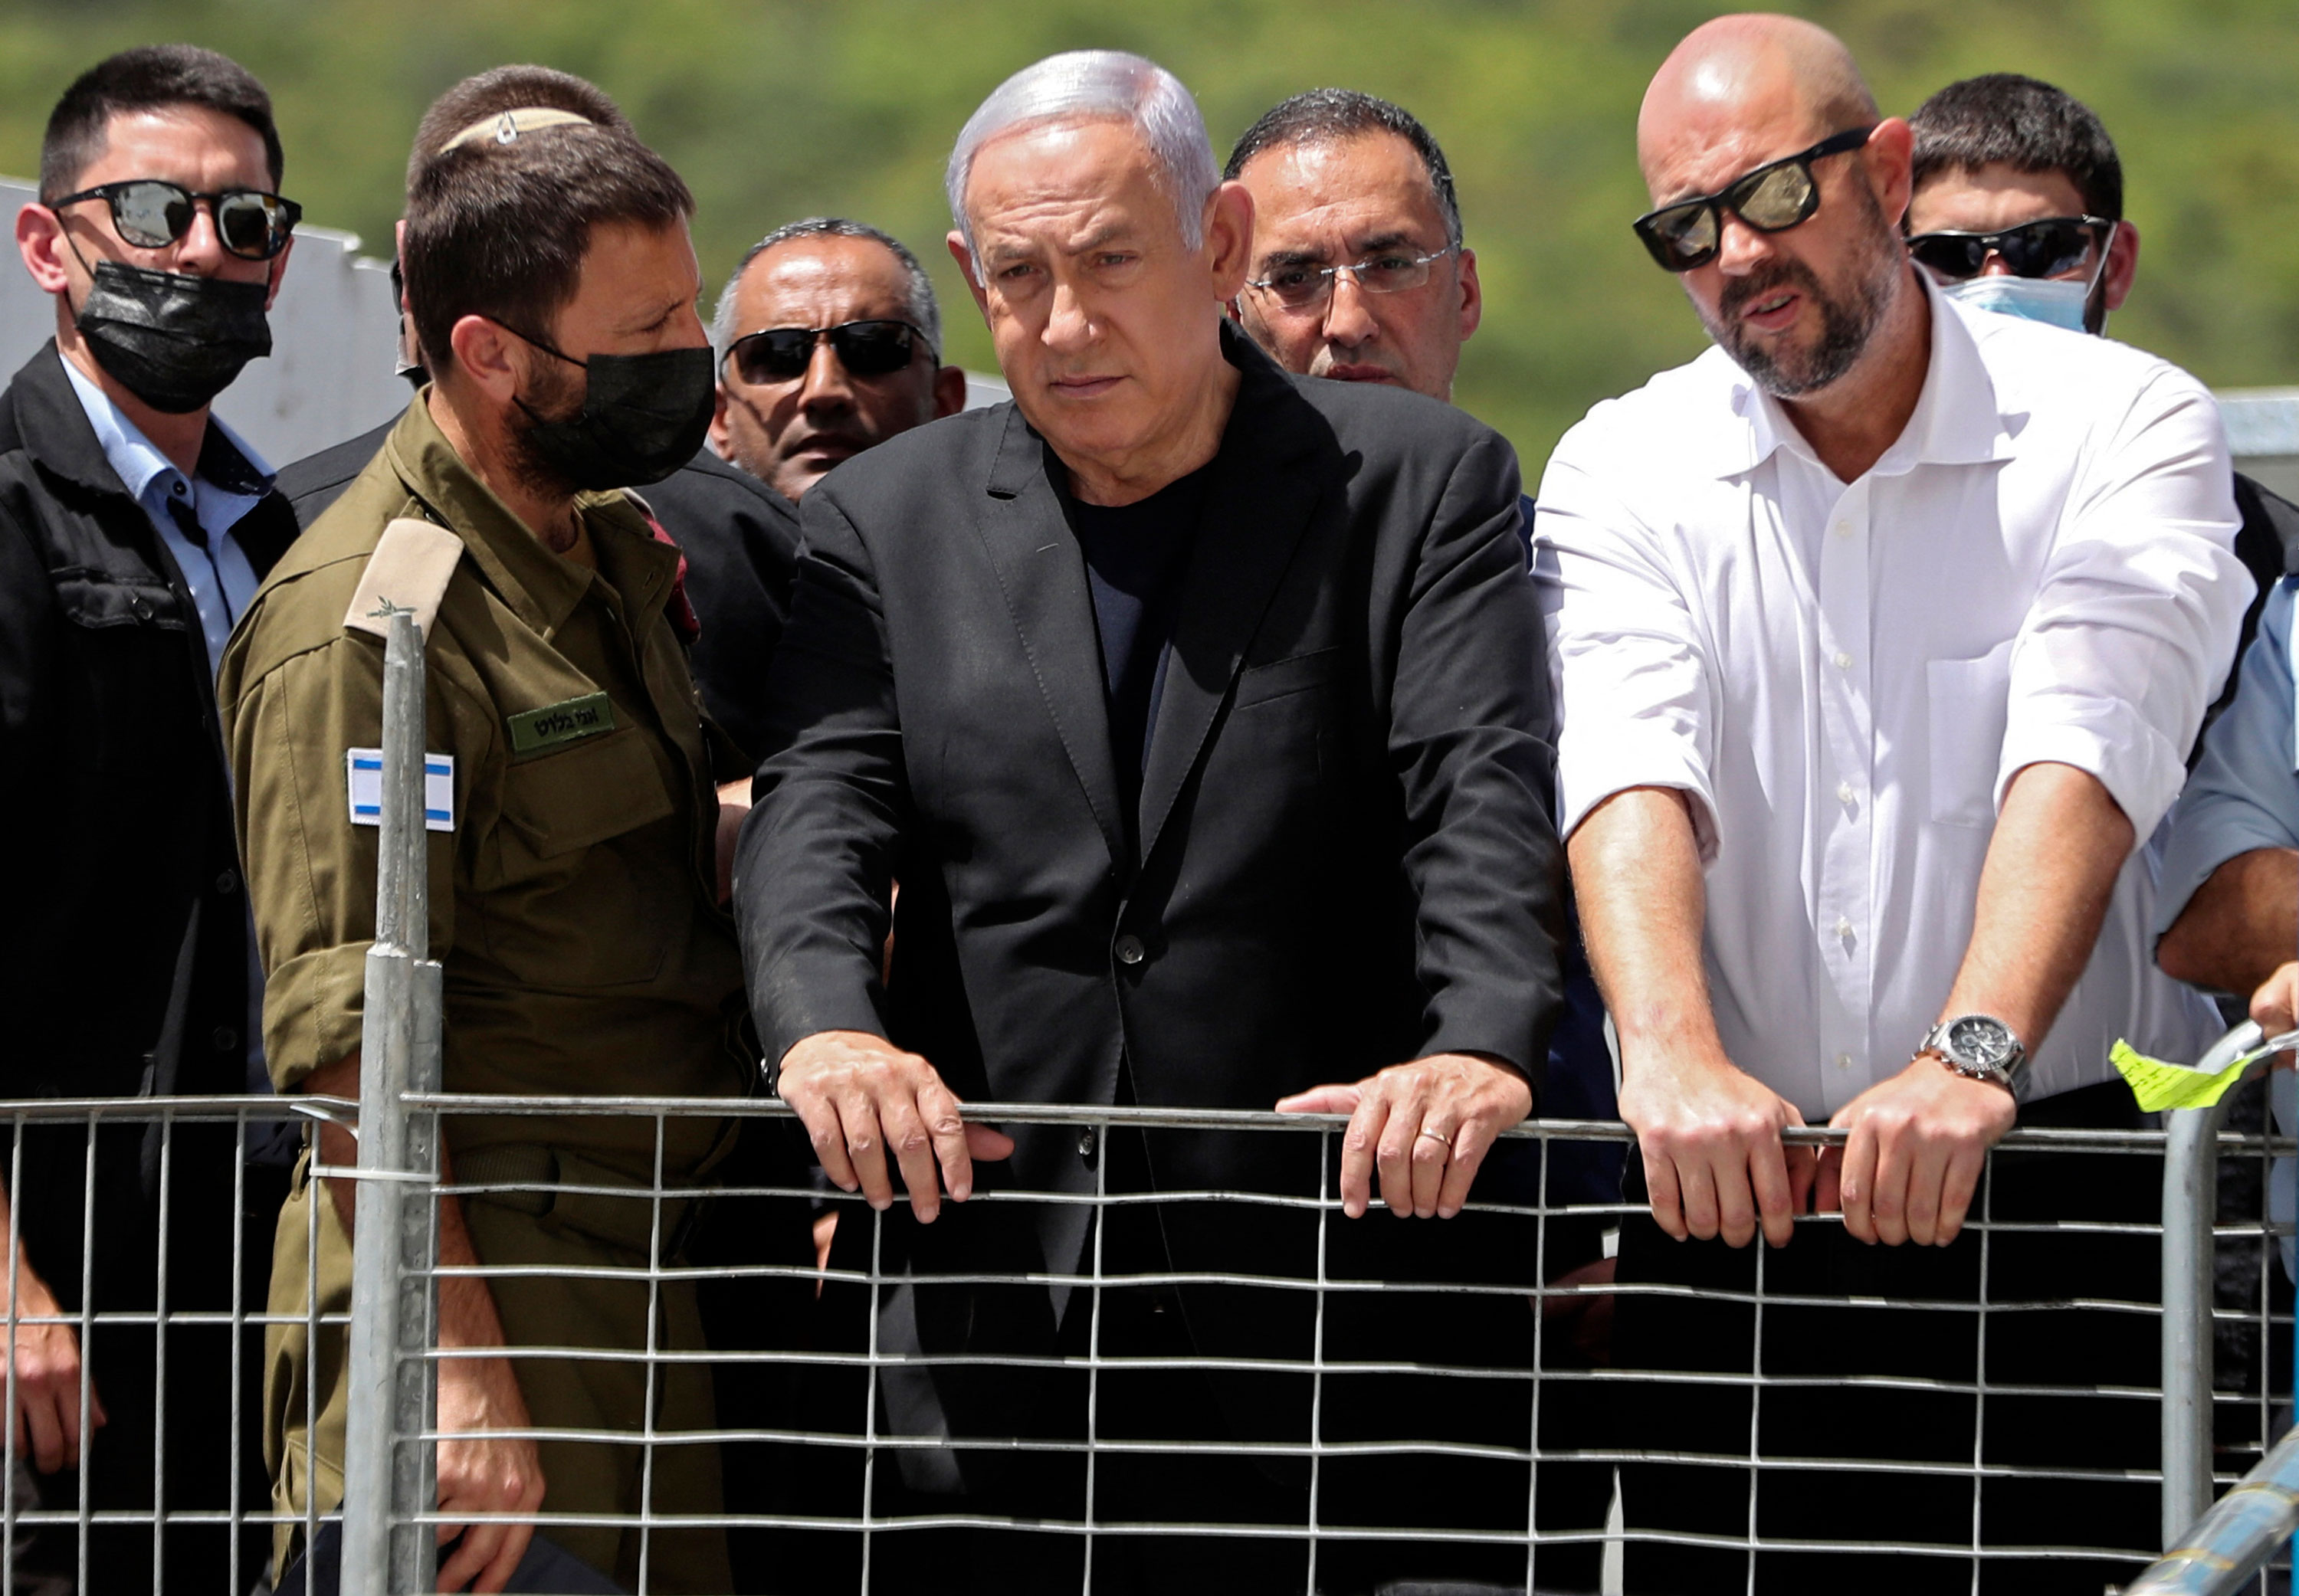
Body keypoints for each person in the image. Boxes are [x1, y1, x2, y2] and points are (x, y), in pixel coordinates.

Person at [735, 47, 1563, 1595]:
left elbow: (1479, 788)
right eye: (1021, 279)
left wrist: (1481, 1042)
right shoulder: (883, 523)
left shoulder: (1417, 483)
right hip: (989, 1335)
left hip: (1346, 1311)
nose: (1066, 323)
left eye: (1112, 261)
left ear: (1220, 244)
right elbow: (819, 815)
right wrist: (825, 1033)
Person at [1533, 15, 2245, 1593]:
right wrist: (1666, 1056)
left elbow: (2092, 742)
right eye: (1685, 228)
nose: (1734, 254)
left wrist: (1968, 1057)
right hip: (1735, 1206)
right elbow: (1626, 764)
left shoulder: (2125, 425)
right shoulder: (1621, 463)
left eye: (1775, 197)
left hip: (2065, 1214)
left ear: (1891, 169)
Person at [223, 67, 760, 1593]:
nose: (692, 364)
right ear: (489, 354)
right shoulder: (369, 622)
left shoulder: (595, 553)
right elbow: (342, 1040)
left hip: (619, 1274)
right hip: (467, 1296)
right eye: (646, 338)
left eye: (688, 314)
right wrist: (447, 1368)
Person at [1227, 85, 1617, 1592]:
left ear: (1464, 291)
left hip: (1521, 1281)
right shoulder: (1130, 588)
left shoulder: (1595, 569)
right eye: (1293, 276)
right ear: (1220, 291)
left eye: (1388, 263)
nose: (1344, 318)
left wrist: (1604, 1216)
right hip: (1210, 1287)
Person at [0, 44, 300, 1587]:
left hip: (254, 1254)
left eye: (242, 224)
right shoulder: (5, 513)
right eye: (154, 210)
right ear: (50, 242)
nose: (200, 251)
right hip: (57, 1279)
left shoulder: (280, 538)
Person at [1904, 72, 2297, 731]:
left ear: (2114, 266)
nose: (1996, 281)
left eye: (2045, 247)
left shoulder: (2265, 552)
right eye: (1951, 255)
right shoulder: (1838, 517)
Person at [689, 216, 966, 759]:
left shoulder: (1032, 579)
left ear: (945, 401)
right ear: (719, 418)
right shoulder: (650, 604)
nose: (823, 390)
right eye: (777, 355)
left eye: (872, 346)